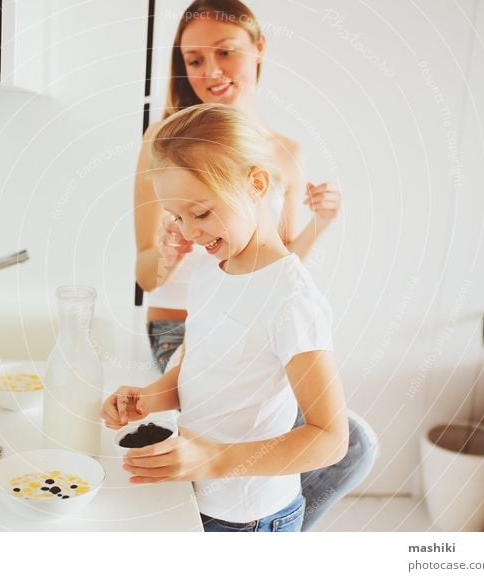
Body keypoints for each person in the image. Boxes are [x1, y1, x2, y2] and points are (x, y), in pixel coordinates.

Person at [132, 0, 378, 530]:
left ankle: (277, 523)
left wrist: (320, 225)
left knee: (349, 440)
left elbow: (279, 268)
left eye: (225, 52)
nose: (210, 72)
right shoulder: (170, 157)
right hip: (182, 326)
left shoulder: (282, 161)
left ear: (258, 49)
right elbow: (153, 281)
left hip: (245, 502)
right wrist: (167, 253)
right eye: (193, 59)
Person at [107, 103, 349, 532]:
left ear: (256, 184)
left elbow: (330, 439)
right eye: (177, 217)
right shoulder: (210, 268)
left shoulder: (291, 299)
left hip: (251, 519)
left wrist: (213, 458)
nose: (188, 233)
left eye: (200, 213)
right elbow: (199, 366)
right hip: (199, 495)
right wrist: (150, 397)